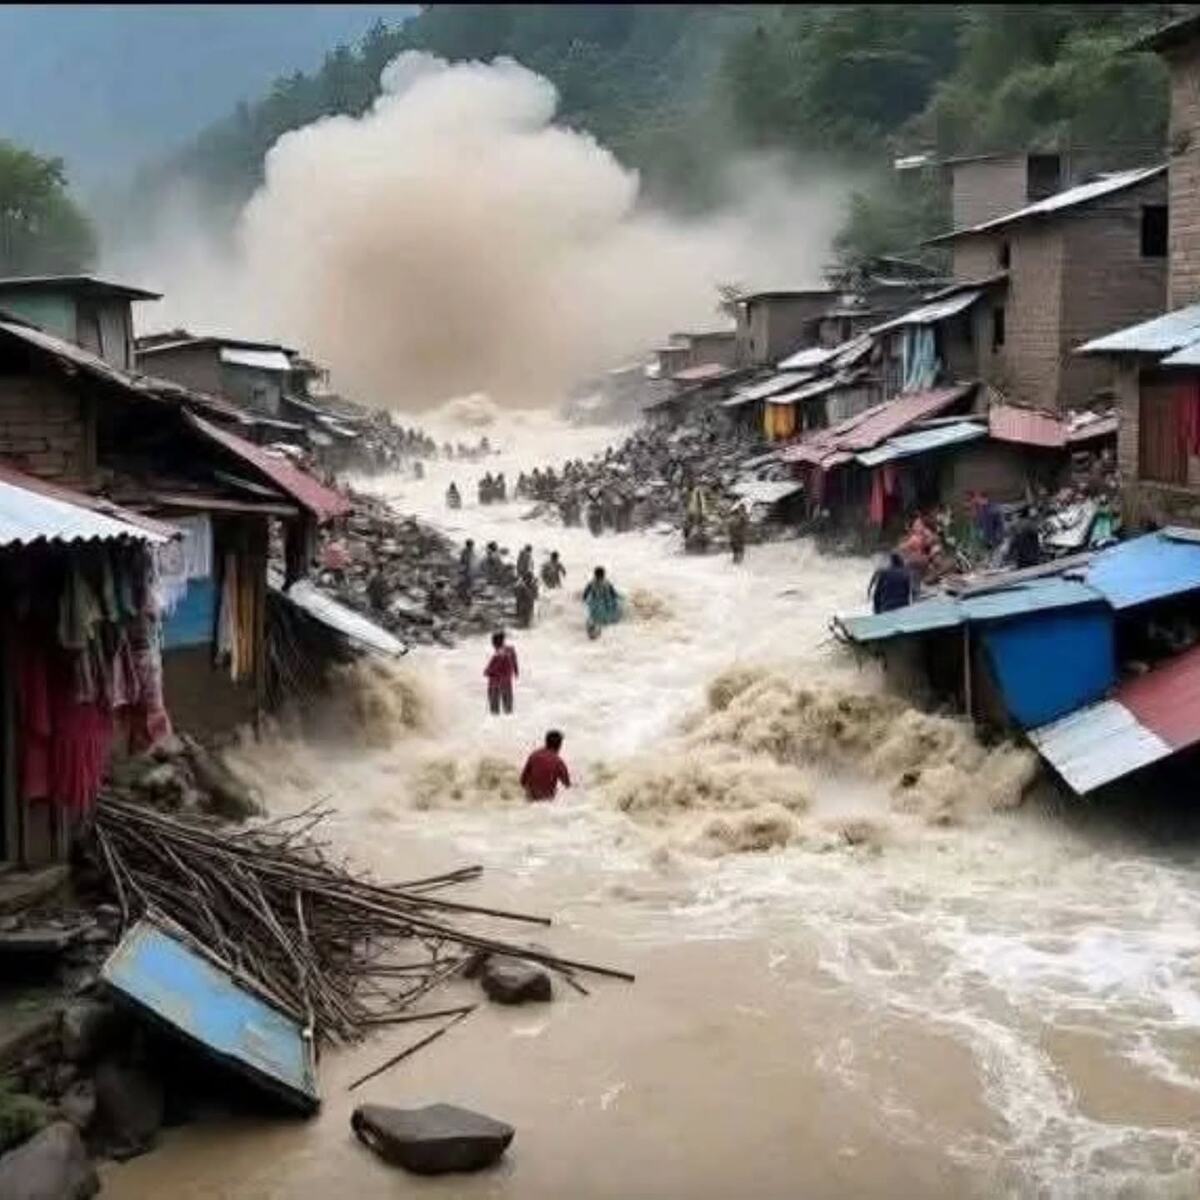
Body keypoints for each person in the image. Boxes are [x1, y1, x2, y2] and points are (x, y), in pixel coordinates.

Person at [520, 730, 571, 802]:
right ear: (559, 745)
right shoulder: (559, 763)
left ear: (546, 742)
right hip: (546, 805)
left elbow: (522, 780)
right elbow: (567, 785)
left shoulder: (534, 755)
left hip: (530, 798)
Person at [484, 630, 519, 715]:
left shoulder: (497, 656)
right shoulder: (510, 650)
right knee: (508, 710)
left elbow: (488, 671)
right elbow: (515, 663)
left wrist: (487, 671)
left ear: (495, 643)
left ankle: (496, 726)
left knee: (494, 712)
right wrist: (515, 672)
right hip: (507, 682)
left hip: (495, 684)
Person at [582, 566, 621, 640]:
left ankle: (595, 631)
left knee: (597, 617)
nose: (600, 577)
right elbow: (587, 591)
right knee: (596, 617)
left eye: (600, 575)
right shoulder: (598, 583)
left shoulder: (602, 582)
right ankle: (594, 631)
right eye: (599, 575)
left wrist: (584, 598)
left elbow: (612, 592)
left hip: (600, 603)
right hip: (598, 603)